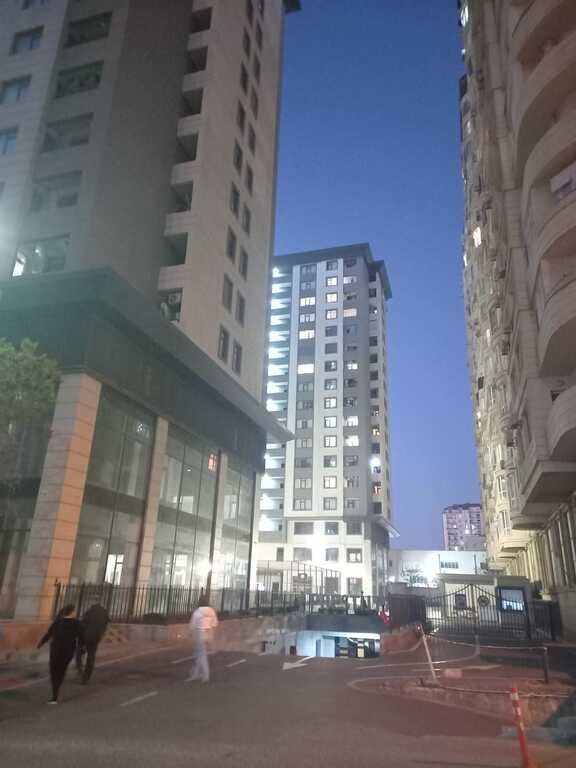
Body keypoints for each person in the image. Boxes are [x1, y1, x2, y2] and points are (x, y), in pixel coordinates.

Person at [38, 603, 83, 704]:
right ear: (72, 612)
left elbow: (49, 634)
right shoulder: (77, 623)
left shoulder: (58, 622)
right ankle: (57, 687)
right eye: (75, 611)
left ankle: (55, 694)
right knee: (61, 670)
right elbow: (82, 637)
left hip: (56, 649)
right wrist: (83, 648)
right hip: (68, 650)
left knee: (54, 670)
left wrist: (41, 643)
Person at [76, 603, 110, 684]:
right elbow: (106, 625)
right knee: (91, 656)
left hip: (85, 635)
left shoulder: (89, 612)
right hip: (95, 637)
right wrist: (101, 633)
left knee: (79, 651)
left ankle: (79, 666)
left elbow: (83, 624)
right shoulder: (104, 613)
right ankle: (86, 677)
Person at [188, 594, 218, 683]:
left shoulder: (197, 612)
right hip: (209, 633)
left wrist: (190, 633)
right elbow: (215, 623)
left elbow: (192, 625)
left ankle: (205, 675)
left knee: (201, 655)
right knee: (198, 654)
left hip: (200, 634)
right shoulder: (211, 611)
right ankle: (195, 673)